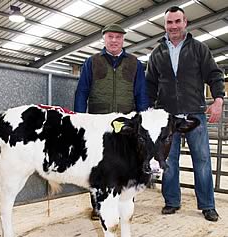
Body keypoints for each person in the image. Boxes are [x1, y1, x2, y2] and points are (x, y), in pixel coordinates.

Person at [146, 6, 225, 222]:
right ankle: (172, 201)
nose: (173, 26)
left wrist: (218, 100)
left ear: (185, 22)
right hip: (167, 117)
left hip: (194, 114)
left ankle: (207, 205)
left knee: (202, 159)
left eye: (177, 21)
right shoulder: (157, 53)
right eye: (169, 22)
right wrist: (149, 109)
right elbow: (150, 84)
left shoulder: (199, 49)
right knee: (169, 161)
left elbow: (215, 75)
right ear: (165, 25)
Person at [74, 23, 150, 219]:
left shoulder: (135, 63)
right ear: (104, 39)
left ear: (123, 39)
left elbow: (141, 93)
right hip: (98, 124)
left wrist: (142, 122)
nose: (114, 40)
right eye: (110, 37)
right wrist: (79, 119)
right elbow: (82, 92)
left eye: (118, 37)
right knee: (98, 165)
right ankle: (98, 206)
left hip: (126, 124)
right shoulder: (91, 62)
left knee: (127, 163)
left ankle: (125, 204)